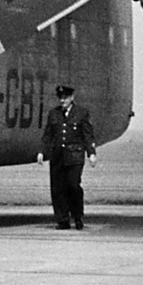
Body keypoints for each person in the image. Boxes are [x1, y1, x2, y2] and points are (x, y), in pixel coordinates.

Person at [37, 84, 96, 230]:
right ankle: (62, 220)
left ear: (72, 98)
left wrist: (91, 153)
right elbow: (48, 135)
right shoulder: (54, 114)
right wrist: (42, 152)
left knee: (73, 185)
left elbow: (87, 135)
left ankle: (77, 216)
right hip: (57, 156)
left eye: (65, 98)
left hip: (75, 156)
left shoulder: (81, 113)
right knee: (57, 189)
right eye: (60, 98)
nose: (62, 101)